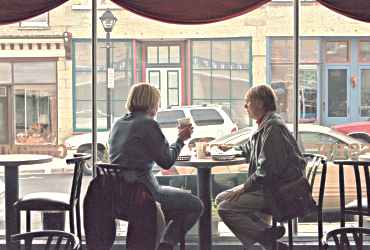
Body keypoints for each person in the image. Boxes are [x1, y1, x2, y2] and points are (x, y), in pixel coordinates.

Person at [108, 82, 203, 250]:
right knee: (195, 205)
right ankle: (165, 245)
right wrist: (181, 140)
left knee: (173, 208)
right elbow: (166, 161)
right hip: (144, 193)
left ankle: (155, 238)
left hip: (117, 194)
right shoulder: (148, 124)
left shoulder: (118, 123)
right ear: (151, 103)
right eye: (158, 102)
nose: (158, 107)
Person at [215, 84, 306, 250]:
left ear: (259, 104)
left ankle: (265, 238)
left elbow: (267, 171)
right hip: (271, 187)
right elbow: (251, 150)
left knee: (225, 208)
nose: (245, 106)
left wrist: (243, 188)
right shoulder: (265, 124)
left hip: (279, 192)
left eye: (247, 102)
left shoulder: (273, 128)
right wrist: (230, 148)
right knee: (220, 199)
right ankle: (268, 239)